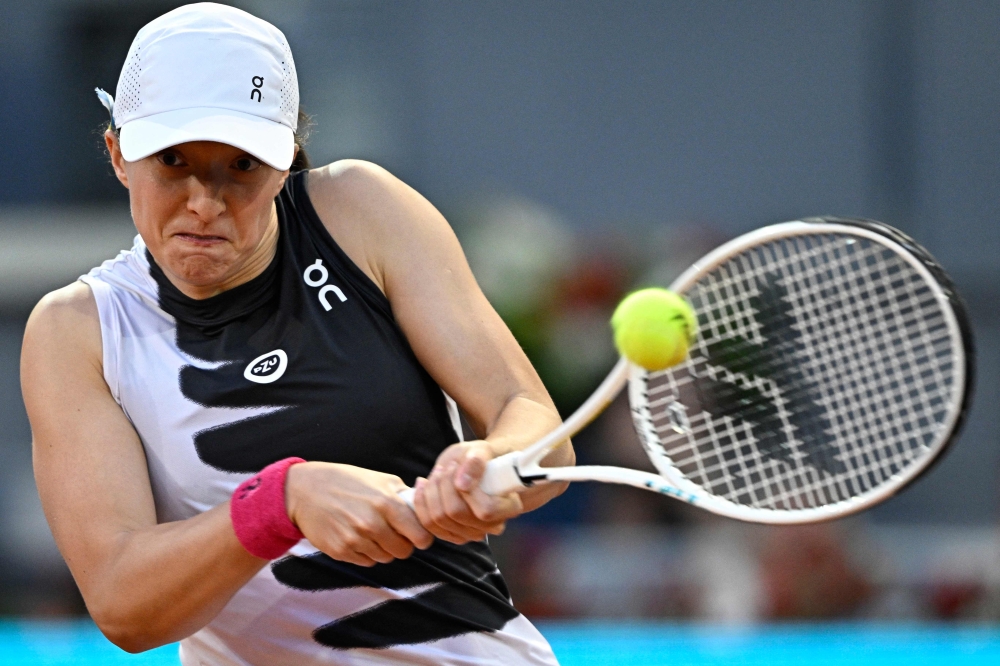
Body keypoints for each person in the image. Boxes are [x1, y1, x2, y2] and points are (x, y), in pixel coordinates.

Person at [20, 4, 572, 664]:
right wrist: (280, 502)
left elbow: (533, 423)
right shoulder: (76, 331)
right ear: (117, 154)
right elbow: (123, 605)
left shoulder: (363, 213)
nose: (204, 200)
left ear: (286, 164)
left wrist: (492, 462)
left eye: (243, 166)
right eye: (172, 161)